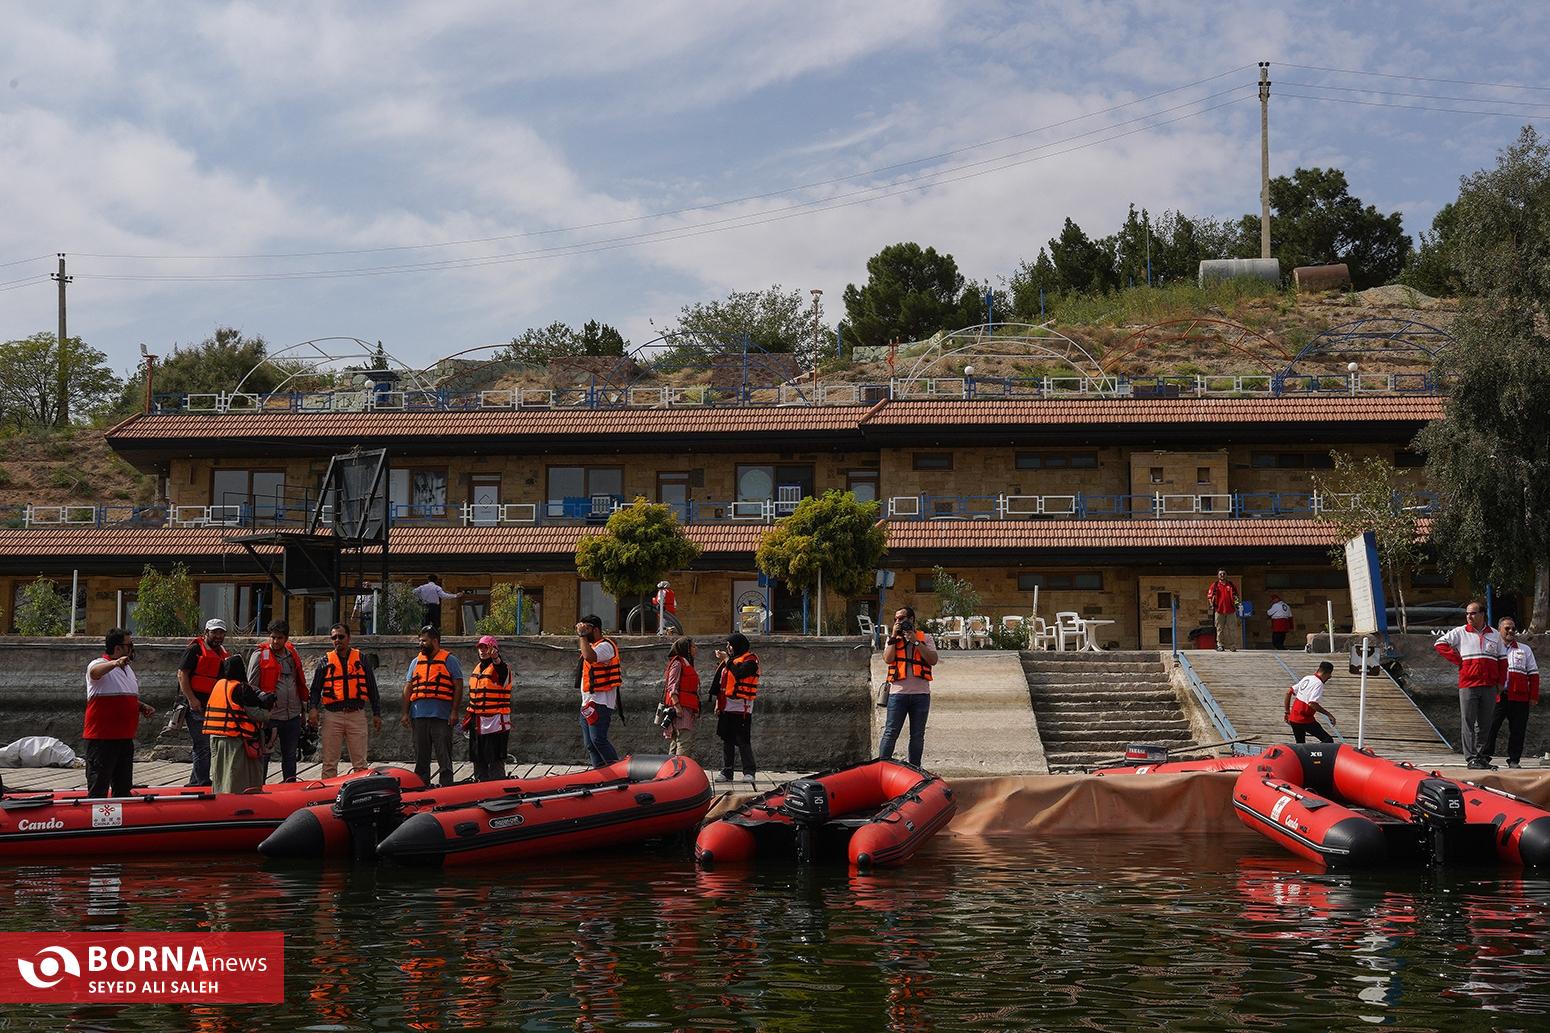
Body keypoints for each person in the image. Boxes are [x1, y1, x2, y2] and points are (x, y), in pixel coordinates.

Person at [1435, 600, 1507, 770]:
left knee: (1485, 723)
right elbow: (1439, 644)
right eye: (1467, 613)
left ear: (1482, 614)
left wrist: (1500, 683)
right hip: (1468, 684)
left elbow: (1503, 661)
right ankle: (1471, 757)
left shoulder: (1495, 634)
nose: (1469, 616)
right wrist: (1458, 660)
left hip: (1489, 685)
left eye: (1473, 613)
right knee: (1468, 721)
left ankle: (1481, 756)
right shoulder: (1460, 632)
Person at [84, 628, 155, 797]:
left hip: (125, 737)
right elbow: (94, 673)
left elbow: (123, 695)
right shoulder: (98, 663)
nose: (132, 648)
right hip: (102, 738)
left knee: (123, 786)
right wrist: (115, 663)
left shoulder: (128, 670)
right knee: (99, 785)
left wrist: (141, 706)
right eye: (129, 645)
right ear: (118, 648)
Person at [307, 623, 383, 778]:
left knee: (360, 764)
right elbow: (315, 689)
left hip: (356, 715)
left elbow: (372, 688)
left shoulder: (361, 659)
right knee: (329, 763)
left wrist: (377, 713)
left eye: (341, 637)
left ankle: (361, 791)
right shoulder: (325, 661)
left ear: (348, 638)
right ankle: (328, 791)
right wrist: (312, 708)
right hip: (332, 716)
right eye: (334, 637)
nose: (337, 640)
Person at [402, 625, 464, 787]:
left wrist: (454, 712)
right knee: (421, 755)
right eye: (420, 641)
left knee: (444, 754)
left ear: (435, 641)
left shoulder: (450, 660)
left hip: (441, 716)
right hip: (418, 716)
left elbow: (458, 686)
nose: (421, 644)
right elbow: (408, 687)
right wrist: (405, 713)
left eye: (424, 641)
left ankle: (446, 785)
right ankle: (421, 785)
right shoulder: (415, 662)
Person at [204, 655, 275, 794]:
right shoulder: (242, 688)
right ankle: (238, 801)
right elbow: (257, 715)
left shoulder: (218, 685)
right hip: (236, 740)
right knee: (236, 775)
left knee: (220, 775)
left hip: (216, 738)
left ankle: (220, 798)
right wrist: (268, 710)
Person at [248, 620, 308, 782]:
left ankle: (290, 786)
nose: (275, 641)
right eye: (273, 637)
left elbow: (298, 684)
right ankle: (258, 787)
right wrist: (262, 702)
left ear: (286, 638)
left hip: (292, 715)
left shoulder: (292, 655)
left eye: (279, 638)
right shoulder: (259, 655)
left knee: (290, 756)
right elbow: (251, 686)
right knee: (264, 755)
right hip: (270, 716)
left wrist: (303, 712)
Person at [878, 606, 939, 767]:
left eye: (902, 618)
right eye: (896, 619)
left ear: (911, 619)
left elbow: (933, 660)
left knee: (917, 736)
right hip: (898, 695)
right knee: (890, 732)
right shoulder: (893, 639)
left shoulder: (925, 638)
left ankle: (915, 769)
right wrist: (893, 636)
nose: (898, 621)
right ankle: (882, 767)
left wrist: (915, 641)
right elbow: (888, 659)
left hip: (921, 695)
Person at [177, 617, 231, 786]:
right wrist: (192, 699)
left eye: (221, 633)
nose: (218, 636)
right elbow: (182, 674)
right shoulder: (194, 650)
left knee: (206, 745)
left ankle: (195, 781)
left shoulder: (222, 653)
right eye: (215, 632)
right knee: (202, 745)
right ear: (206, 632)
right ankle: (202, 782)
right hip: (195, 706)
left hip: (212, 706)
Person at [1484, 617, 1539, 769]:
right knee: (1490, 727)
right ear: (1499, 630)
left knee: (1518, 730)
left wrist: (1533, 696)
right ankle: (1484, 757)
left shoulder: (1524, 649)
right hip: (1497, 695)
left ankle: (1514, 760)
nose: (1511, 631)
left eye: (1513, 628)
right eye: (1507, 628)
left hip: (1520, 696)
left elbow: (1533, 674)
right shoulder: (1492, 648)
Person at [713, 633, 759, 785]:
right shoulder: (729, 661)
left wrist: (726, 660)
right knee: (727, 740)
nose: (728, 648)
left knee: (743, 740)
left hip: (742, 707)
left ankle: (749, 772)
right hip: (726, 706)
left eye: (730, 645)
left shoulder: (750, 661)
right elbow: (721, 684)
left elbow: (739, 673)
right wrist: (718, 704)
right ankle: (727, 771)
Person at [576, 615, 622, 768]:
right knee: (590, 744)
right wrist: (583, 636)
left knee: (598, 740)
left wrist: (582, 636)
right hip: (588, 702)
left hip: (600, 703)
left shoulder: (605, 646)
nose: (583, 631)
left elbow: (590, 657)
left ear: (595, 630)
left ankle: (618, 771)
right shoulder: (592, 646)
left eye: (586, 628)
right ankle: (600, 772)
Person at [465, 635, 512, 782]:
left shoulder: (501, 668)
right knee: (478, 756)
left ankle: (498, 783)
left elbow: (501, 671)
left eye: (486, 648)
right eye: (480, 648)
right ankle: (480, 782)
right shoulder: (478, 668)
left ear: (494, 649)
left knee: (495, 757)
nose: (482, 651)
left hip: (496, 721)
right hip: (477, 719)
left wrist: (496, 658)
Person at [660, 637, 699, 757]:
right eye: (693, 646)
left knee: (676, 741)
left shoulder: (685, 663)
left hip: (685, 706)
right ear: (686, 649)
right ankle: (679, 767)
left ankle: (672, 766)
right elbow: (672, 686)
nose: (696, 649)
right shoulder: (678, 664)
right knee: (684, 740)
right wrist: (677, 706)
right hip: (681, 707)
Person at [1283, 661, 1338, 744]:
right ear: (1327, 673)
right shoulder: (1318, 684)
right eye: (1329, 676)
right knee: (1328, 740)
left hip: (1293, 718)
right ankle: (1314, 752)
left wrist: (1287, 712)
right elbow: (1312, 703)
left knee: (1300, 744)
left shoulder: (1307, 678)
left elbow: (1288, 692)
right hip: (1304, 719)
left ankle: (1305, 752)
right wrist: (1328, 714)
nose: (1329, 678)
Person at [1206, 571, 1239, 652]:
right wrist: (1211, 605)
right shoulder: (1215, 585)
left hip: (1231, 610)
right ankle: (1220, 645)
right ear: (1218, 575)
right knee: (1219, 629)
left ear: (1226, 575)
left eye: (1224, 574)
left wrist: (1237, 603)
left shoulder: (1231, 585)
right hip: (1219, 610)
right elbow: (1209, 596)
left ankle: (1232, 645)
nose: (1222, 575)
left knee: (1232, 629)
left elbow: (1236, 596)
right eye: (1220, 574)